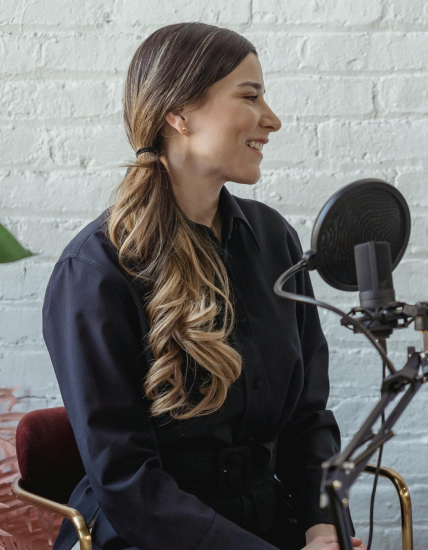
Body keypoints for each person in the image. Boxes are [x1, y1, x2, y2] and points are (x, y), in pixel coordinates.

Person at [42, 23, 362, 550]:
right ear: (179, 114)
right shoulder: (94, 271)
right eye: (250, 96)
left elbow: (308, 419)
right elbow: (125, 480)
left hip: (272, 526)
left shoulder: (273, 240)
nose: (273, 120)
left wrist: (323, 528)